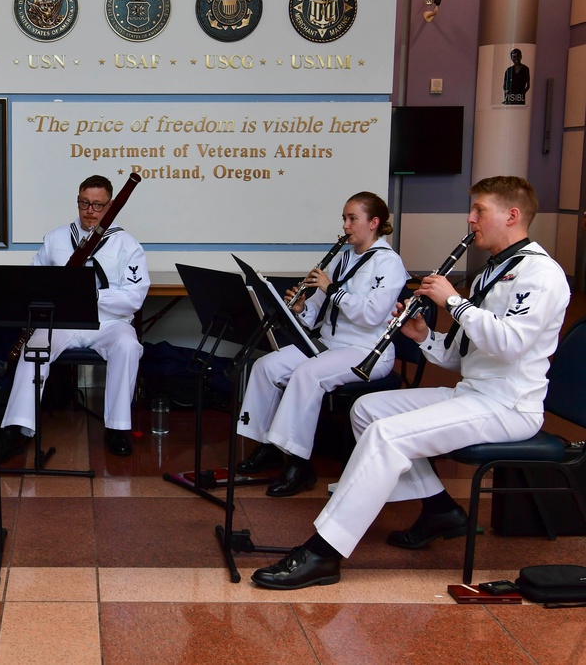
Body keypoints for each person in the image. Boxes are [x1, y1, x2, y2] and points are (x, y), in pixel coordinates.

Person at [252, 176, 570, 590]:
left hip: (508, 406)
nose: (470, 220)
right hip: (473, 393)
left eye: (480, 211)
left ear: (512, 215)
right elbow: (461, 356)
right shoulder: (491, 271)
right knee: (367, 409)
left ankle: (324, 551)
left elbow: (510, 345)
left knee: (387, 436)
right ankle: (440, 508)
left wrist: (454, 302)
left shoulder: (541, 274)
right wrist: (423, 336)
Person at [236, 192, 409, 496]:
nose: (345, 225)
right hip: (329, 344)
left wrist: (333, 290)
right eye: (344, 218)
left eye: (352, 218)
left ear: (374, 223)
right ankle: (268, 445)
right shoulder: (344, 257)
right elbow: (320, 308)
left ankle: (299, 464)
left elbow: (372, 315)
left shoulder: (389, 263)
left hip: (367, 352)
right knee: (266, 366)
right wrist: (303, 308)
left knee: (308, 374)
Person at [0, 174, 150, 460]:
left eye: (98, 205)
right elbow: (33, 283)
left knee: (128, 346)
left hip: (108, 323)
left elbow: (134, 298)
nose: (90, 211)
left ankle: (117, 429)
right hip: (62, 322)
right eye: (84, 203)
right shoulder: (56, 238)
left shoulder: (127, 244)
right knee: (34, 348)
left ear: (111, 206)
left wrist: (91, 297)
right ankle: (17, 429)